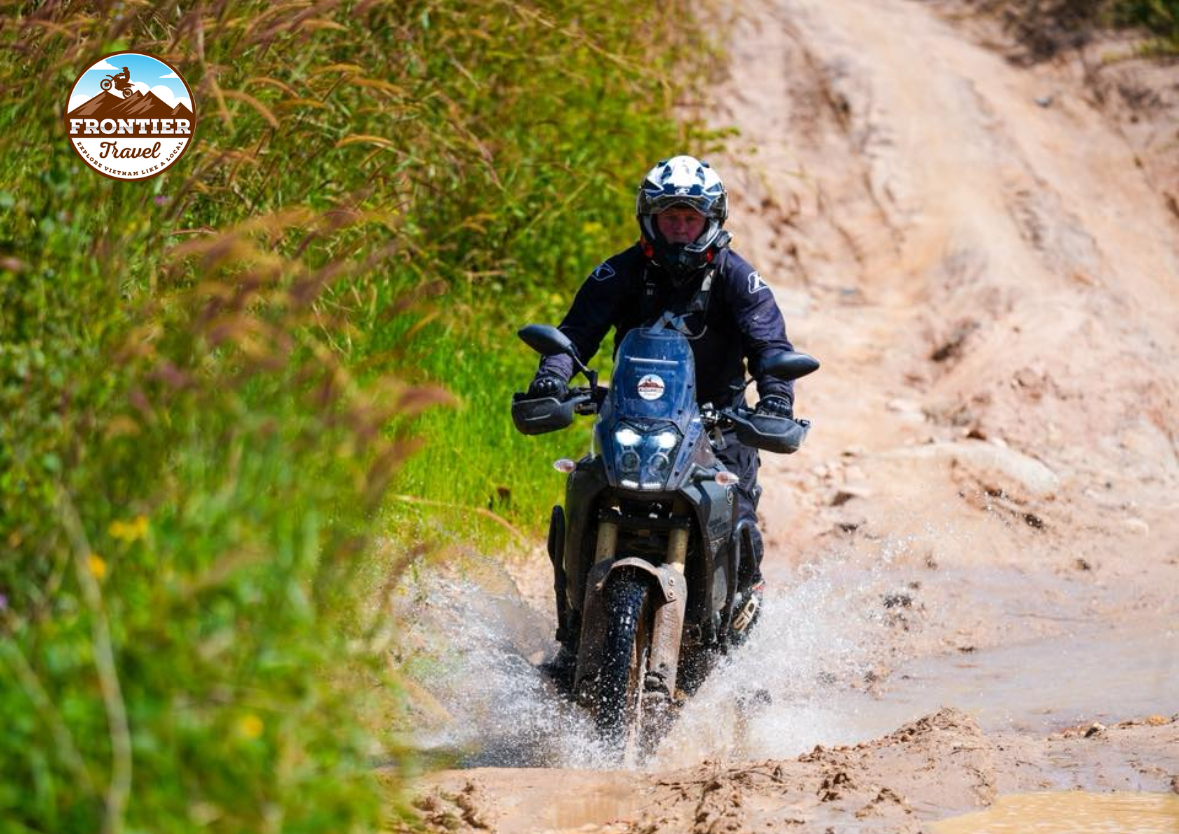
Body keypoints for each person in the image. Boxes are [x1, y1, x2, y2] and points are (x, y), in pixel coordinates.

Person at [527, 155, 799, 636]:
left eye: (689, 219)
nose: (679, 228)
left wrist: (775, 398)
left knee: (742, 526)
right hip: (635, 413)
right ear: (649, 219)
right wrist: (552, 375)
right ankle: (572, 622)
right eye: (669, 217)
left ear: (710, 222)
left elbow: (771, 348)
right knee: (586, 487)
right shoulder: (619, 273)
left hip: (719, 422)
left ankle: (738, 653)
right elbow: (575, 336)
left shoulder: (740, 280)